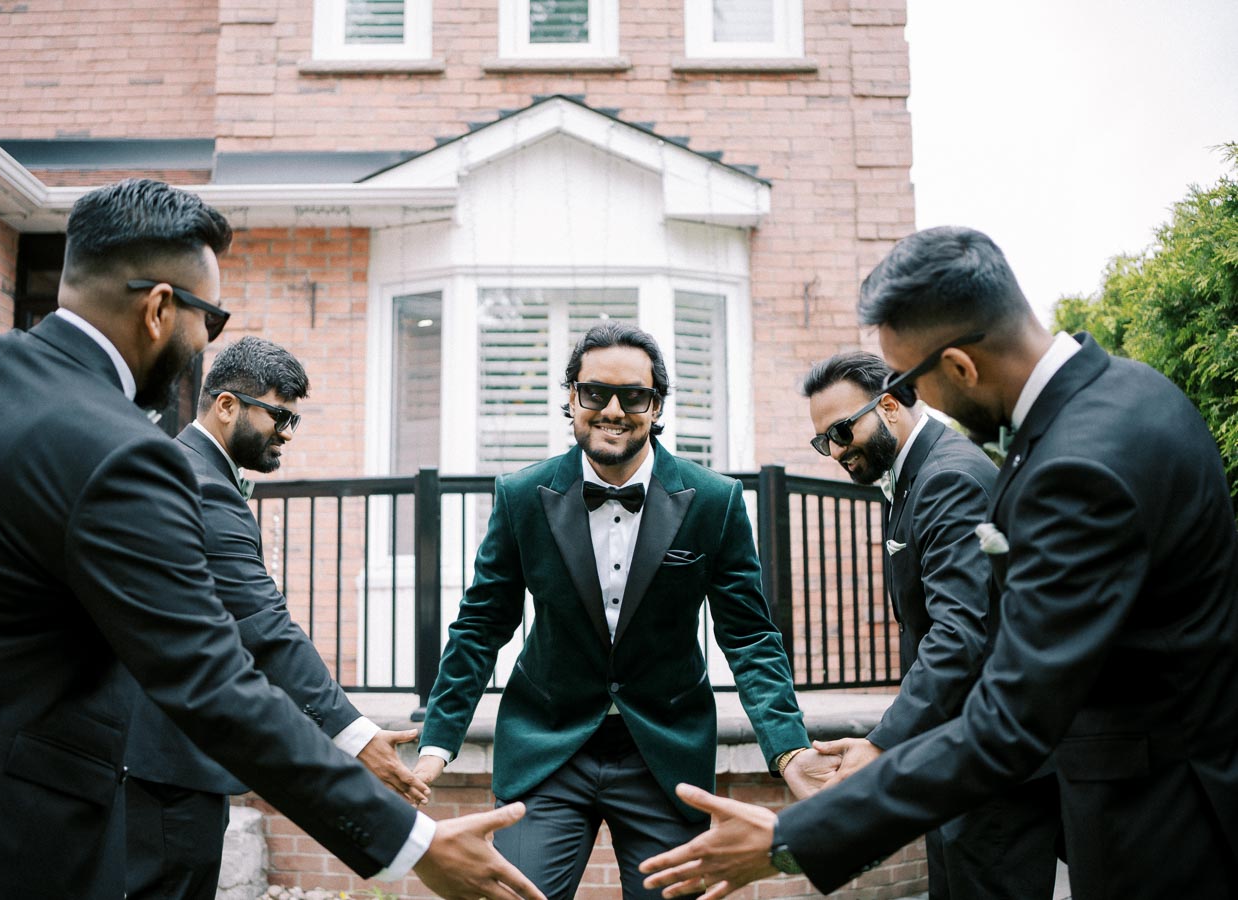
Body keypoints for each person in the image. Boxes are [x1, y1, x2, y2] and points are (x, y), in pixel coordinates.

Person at [0, 178, 541, 900]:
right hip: (1, 835)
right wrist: (411, 841)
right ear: (160, 309)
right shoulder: (125, 453)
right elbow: (211, 678)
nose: (206, 343)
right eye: (212, 319)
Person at [640, 225, 1238, 899]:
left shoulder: (1073, 467)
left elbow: (1009, 714)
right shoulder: (1134, 392)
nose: (912, 399)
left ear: (958, 366)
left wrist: (793, 838)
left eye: (908, 380)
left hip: (1161, 826)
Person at [411, 321, 837, 899]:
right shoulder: (521, 496)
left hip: (664, 752)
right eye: (595, 392)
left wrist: (789, 749)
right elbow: (482, 625)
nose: (613, 410)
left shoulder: (715, 500)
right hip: (548, 747)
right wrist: (437, 744)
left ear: (655, 406)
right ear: (572, 397)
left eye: (633, 396)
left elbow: (750, 636)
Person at [124, 335, 431, 900]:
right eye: (279, 416)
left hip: (158, 758)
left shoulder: (181, 468)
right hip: (168, 765)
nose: (287, 433)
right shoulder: (203, 486)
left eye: (294, 419)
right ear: (226, 405)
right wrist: (358, 736)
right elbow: (266, 629)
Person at [803, 351, 1058, 899]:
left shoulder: (948, 477)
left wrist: (881, 743)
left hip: (992, 764)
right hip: (957, 754)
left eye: (842, 431)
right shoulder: (916, 472)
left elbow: (958, 633)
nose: (836, 450)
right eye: (824, 441)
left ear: (889, 406)